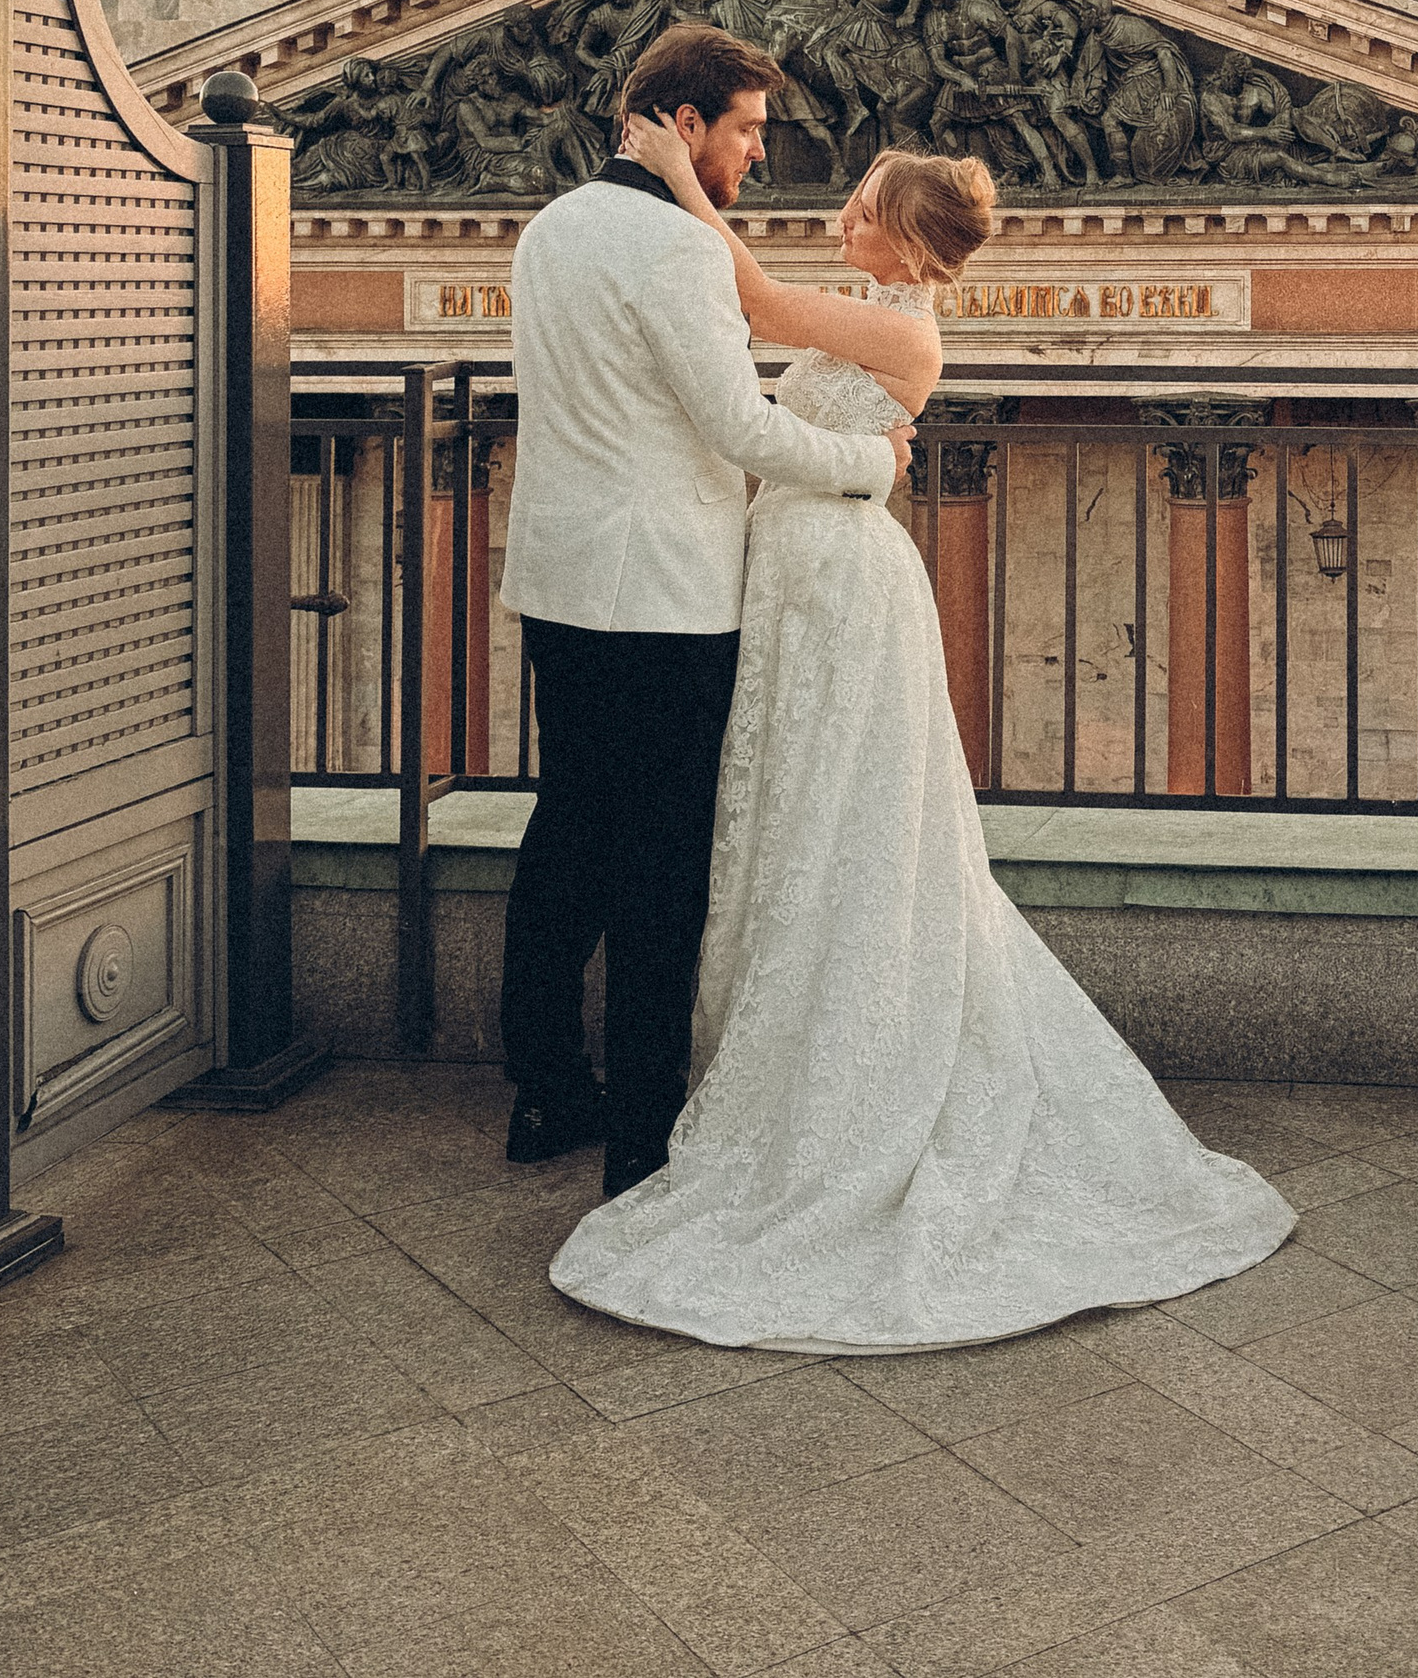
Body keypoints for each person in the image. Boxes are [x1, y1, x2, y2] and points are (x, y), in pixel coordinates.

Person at [548, 126, 1294, 1351]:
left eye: (860, 202)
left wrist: (676, 175)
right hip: (790, 572)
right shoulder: (866, 313)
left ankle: (842, 1086)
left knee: (846, 816)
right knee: (789, 813)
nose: (841, 211)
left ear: (903, 231)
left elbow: (749, 294)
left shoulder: (903, 330)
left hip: (841, 584)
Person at [498, 24, 913, 1195]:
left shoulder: (550, 229)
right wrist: (871, 460)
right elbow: (737, 428)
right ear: (686, 124)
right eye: (746, 129)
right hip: (666, 596)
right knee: (660, 867)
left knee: (566, 829)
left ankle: (543, 1088)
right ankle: (641, 1128)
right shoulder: (679, 249)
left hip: (559, 576)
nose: (755, 154)